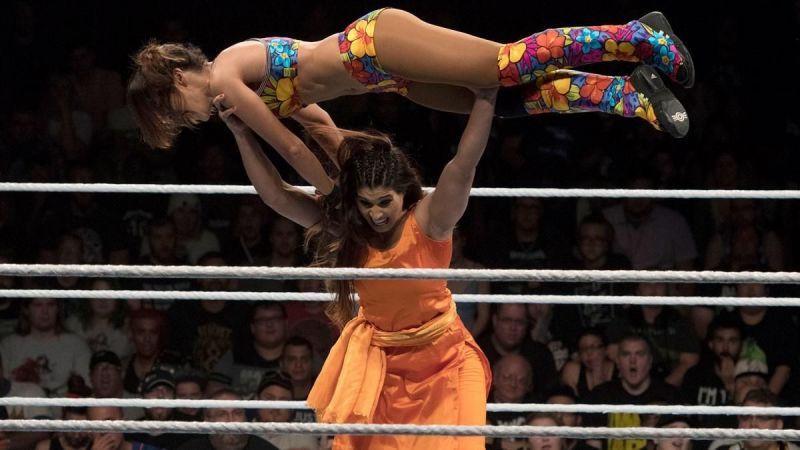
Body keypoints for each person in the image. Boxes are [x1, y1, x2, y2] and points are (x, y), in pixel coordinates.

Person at [129, 8, 693, 194]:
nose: (190, 120)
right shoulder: (239, 91)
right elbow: (316, 123)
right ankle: (626, 93)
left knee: (505, 63)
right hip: (384, 78)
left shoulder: (227, 76)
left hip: (374, 43)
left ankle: (639, 35)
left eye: (177, 112)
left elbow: (290, 151)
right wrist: (347, 160)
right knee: (499, 99)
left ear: (180, 76)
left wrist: (336, 199)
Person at [218, 83, 498, 448]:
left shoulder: (429, 221)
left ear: (404, 193)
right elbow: (277, 196)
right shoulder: (351, 229)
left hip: (445, 360)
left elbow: (463, 165)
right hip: (381, 364)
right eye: (367, 203)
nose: (376, 213)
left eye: (385, 202)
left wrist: (487, 98)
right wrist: (243, 134)